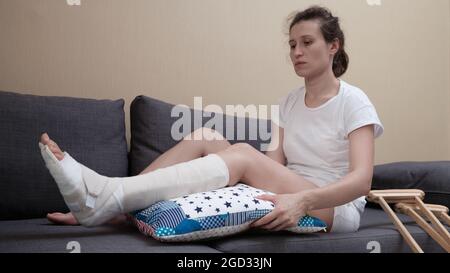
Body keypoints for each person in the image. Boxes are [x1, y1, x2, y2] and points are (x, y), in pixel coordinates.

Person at [41, 5, 383, 233]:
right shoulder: (289, 103)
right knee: (204, 136)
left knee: (245, 154)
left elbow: (361, 182)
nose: (296, 52)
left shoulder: (353, 102)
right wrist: (238, 169)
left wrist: (304, 200)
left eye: (307, 42)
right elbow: (273, 166)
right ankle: (115, 203)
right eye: (292, 44)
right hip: (290, 185)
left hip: (333, 206)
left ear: (333, 46)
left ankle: (105, 197)